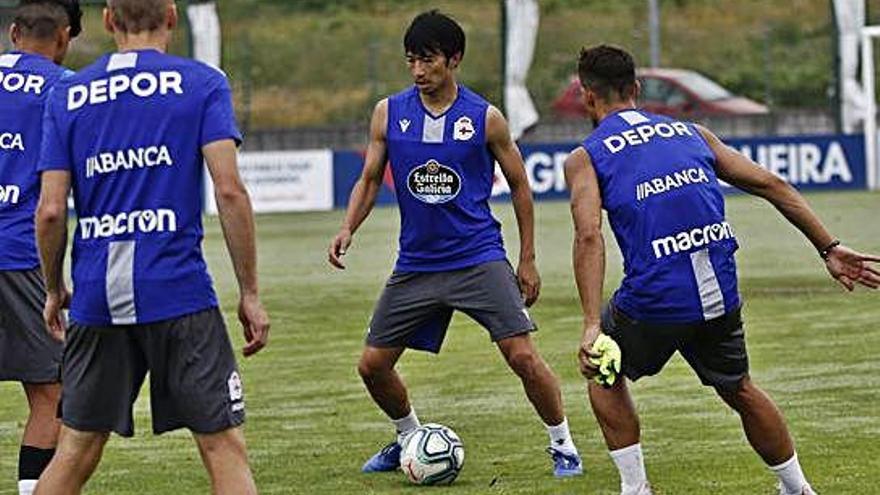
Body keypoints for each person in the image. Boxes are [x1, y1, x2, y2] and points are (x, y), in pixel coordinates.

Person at [565, 44, 880, 495]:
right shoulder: (693, 132)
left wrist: (593, 325)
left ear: (586, 96)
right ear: (636, 89)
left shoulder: (587, 155)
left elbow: (588, 234)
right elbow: (772, 183)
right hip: (718, 293)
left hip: (654, 300)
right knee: (740, 388)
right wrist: (828, 247)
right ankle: (798, 488)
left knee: (604, 371)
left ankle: (636, 489)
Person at [328, 10, 582, 477]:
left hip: (478, 259)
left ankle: (563, 444)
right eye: (411, 61)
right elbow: (368, 178)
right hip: (417, 265)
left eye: (428, 60)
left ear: (454, 59)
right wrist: (348, 227)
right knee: (372, 366)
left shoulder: (484, 118)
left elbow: (521, 188)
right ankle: (408, 436)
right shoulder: (389, 112)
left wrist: (527, 259)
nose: (419, 71)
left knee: (523, 356)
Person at [32, 0, 270, 493]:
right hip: (178, 290)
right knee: (221, 445)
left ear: (107, 19)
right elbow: (229, 190)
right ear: (170, 16)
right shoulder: (203, 83)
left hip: (97, 294)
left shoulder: (68, 94)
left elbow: (51, 210)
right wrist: (249, 292)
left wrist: (54, 289)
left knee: (75, 448)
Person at [0, 1, 80, 494]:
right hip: (17, 253)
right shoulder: (65, 89)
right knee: (51, 393)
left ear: (12, 32)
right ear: (65, 37)